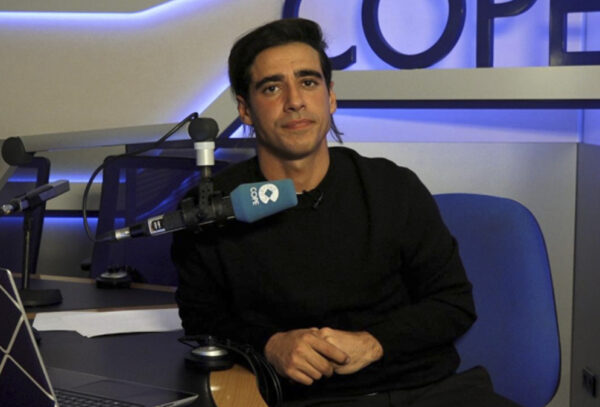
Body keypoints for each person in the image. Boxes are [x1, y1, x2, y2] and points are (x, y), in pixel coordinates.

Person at [173, 18, 520, 407]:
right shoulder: (213, 209)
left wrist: (374, 343)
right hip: (315, 401)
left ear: (331, 97)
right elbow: (202, 322)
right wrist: (270, 345)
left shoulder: (393, 186)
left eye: (308, 82)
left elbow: (453, 302)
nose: (295, 101)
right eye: (272, 87)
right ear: (246, 110)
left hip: (429, 390)